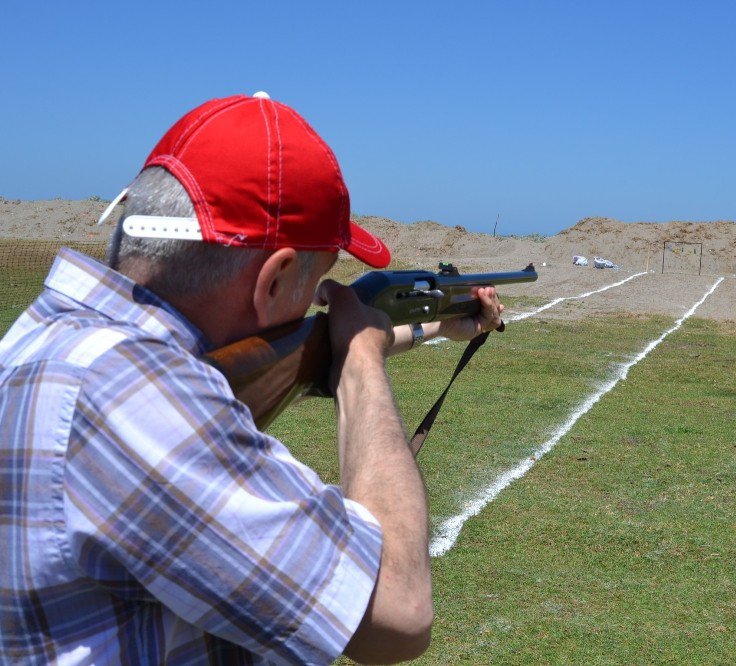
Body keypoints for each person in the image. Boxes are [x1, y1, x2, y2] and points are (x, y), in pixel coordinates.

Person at [0, 93, 505, 664]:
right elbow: (398, 612)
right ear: (275, 279)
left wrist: (428, 327)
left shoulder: (59, 342)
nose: (321, 303)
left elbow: (307, 350)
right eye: (320, 284)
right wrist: (362, 360)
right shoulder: (135, 395)